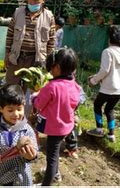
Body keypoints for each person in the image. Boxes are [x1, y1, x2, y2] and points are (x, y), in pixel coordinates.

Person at [32, 48, 81, 185]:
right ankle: (56, 173)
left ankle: (46, 183)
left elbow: (39, 104)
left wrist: (34, 98)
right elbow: (75, 103)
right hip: (66, 127)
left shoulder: (51, 86)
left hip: (55, 128)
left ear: (57, 67)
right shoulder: (74, 85)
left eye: (51, 67)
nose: (50, 71)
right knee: (55, 152)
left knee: (51, 158)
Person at [0, 84, 38, 186]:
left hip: (22, 177)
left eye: (19, 109)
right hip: (0, 174)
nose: (16, 114)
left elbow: (35, 151)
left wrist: (31, 155)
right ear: (1, 108)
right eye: (10, 110)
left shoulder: (27, 129)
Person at [87, 25, 120, 143]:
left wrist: (93, 80)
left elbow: (105, 70)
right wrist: (98, 78)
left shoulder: (108, 51)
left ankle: (99, 130)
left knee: (97, 104)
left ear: (110, 39)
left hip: (108, 88)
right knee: (109, 109)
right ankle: (111, 135)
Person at [5, 0, 56, 91]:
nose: (33, 2)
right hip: (16, 58)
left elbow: (52, 41)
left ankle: (26, 106)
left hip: (36, 60)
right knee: (11, 90)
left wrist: (49, 62)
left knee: (32, 93)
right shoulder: (17, 12)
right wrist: (7, 54)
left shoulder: (49, 16)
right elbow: (10, 35)